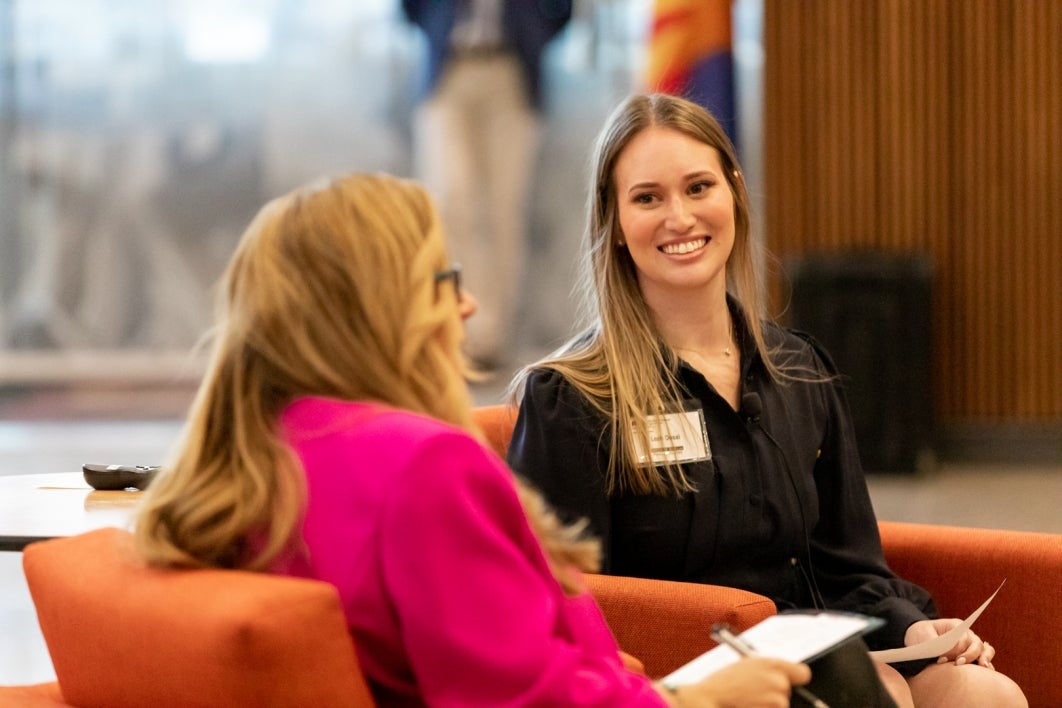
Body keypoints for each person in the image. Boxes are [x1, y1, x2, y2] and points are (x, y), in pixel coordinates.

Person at [131, 172, 811, 706]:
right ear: (381, 305)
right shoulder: (422, 464)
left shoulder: (260, 449)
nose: (468, 305)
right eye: (444, 279)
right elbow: (515, 698)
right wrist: (695, 700)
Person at [506, 93, 1028, 708]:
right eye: (648, 198)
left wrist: (913, 628)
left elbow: (846, 562)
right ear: (615, 224)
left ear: (735, 192)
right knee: (868, 688)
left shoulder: (800, 370)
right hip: (673, 678)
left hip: (823, 657)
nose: (679, 217)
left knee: (981, 692)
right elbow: (561, 606)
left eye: (698, 187)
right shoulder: (570, 399)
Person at [400, 0, 571, 368]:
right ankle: (450, 328)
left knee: (503, 209)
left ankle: (488, 338)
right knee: (448, 204)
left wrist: (535, 34)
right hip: (448, 67)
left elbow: (563, 10)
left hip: (512, 70)